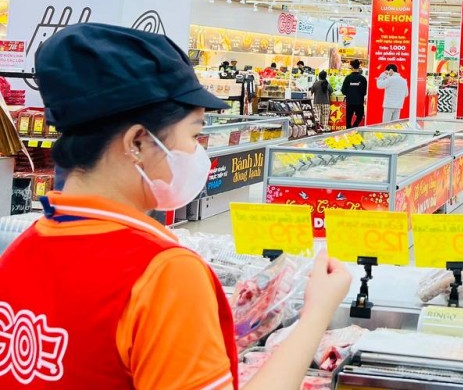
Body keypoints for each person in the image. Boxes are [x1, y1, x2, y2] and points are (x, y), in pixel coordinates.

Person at [0, 23, 352, 390]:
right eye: (194, 135)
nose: (199, 152)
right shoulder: (163, 273)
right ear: (138, 142)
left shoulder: (21, 253)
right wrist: (316, 313)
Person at [341, 59, 368, 128]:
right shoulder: (363, 78)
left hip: (350, 101)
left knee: (348, 119)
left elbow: (343, 90)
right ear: (359, 67)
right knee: (360, 115)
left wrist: (349, 93)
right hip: (359, 102)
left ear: (351, 67)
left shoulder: (348, 78)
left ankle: (348, 130)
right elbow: (365, 92)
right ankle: (354, 127)